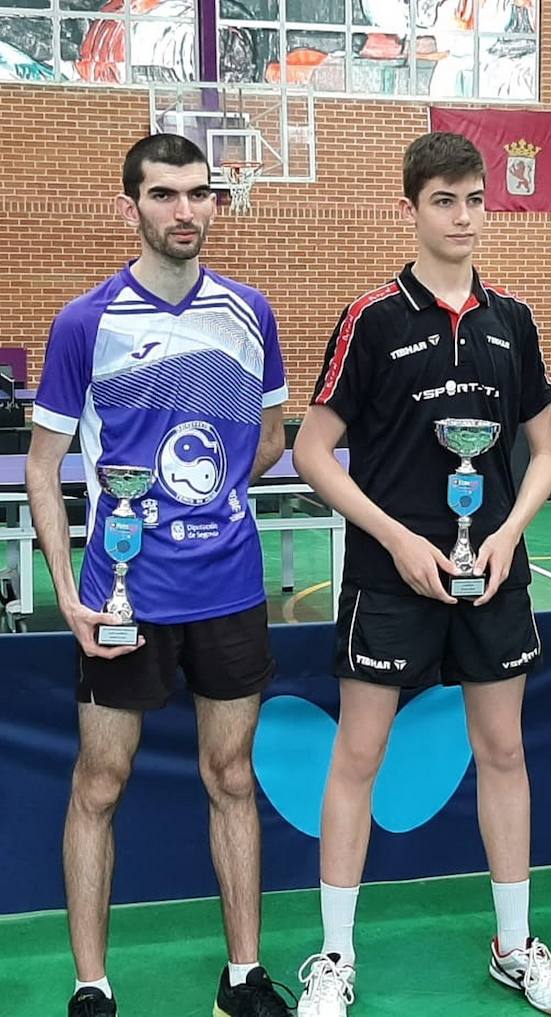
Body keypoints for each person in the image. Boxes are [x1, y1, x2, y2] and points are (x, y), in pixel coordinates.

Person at [291, 131, 551, 1017]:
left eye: (473, 199)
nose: (462, 216)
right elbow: (312, 451)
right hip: (392, 579)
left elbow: (547, 449)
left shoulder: (515, 320)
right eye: (444, 200)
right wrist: (397, 539)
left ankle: (514, 943)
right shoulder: (372, 317)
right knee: (360, 754)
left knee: (503, 751)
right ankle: (335, 958)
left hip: (492, 575)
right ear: (411, 207)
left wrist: (506, 534)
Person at [26, 133, 292, 1017]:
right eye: (164, 194)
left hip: (229, 588)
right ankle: (92, 984)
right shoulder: (85, 322)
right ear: (130, 205)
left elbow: (272, 437)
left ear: (217, 202)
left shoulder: (251, 312)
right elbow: (43, 461)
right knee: (99, 783)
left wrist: (204, 495)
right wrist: (67, 588)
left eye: (199, 193)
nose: (185, 210)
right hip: (119, 594)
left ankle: (244, 976)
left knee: (232, 776)